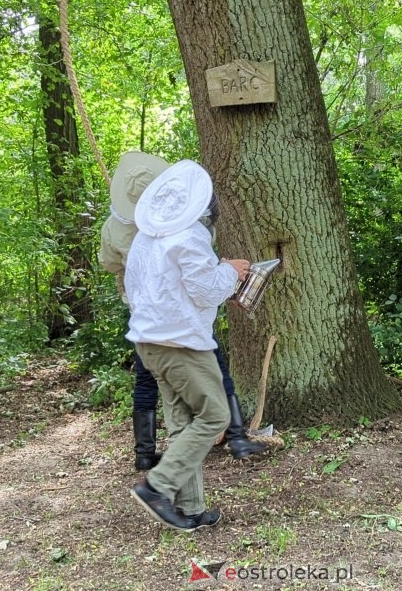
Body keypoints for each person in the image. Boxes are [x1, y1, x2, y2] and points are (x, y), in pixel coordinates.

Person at [99, 152, 267, 475]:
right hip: (180, 318)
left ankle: (145, 453)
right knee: (214, 371)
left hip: (143, 315)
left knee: (149, 380)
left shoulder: (116, 229)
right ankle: (233, 436)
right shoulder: (177, 227)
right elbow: (198, 280)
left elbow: (109, 263)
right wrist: (228, 276)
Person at [125, 159, 249, 531]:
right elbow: (205, 289)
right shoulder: (191, 235)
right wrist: (234, 271)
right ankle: (157, 487)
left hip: (149, 343)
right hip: (182, 345)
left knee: (182, 422)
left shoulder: (144, 239)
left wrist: (218, 272)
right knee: (215, 416)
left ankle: (192, 509)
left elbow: (146, 290)